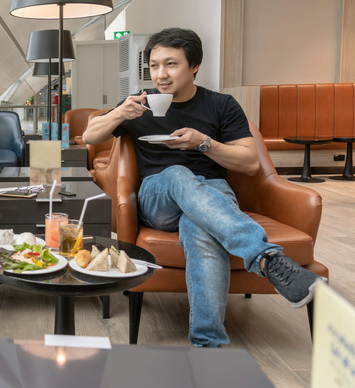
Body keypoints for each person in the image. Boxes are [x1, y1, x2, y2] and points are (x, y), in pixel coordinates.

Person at [82, 27, 324, 348]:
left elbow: (250, 162)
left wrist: (204, 143)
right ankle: (266, 257)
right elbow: (89, 136)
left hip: (212, 194)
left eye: (171, 64)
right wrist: (120, 112)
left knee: (198, 226)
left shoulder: (221, 105)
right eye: (154, 66)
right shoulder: (137, 103)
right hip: (158, 197)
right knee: (178, 173)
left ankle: (207, 346)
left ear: (194, 66)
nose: (161, 74)